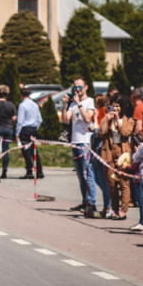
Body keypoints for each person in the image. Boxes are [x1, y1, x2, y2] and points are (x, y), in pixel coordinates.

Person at [62, 78, 97, 219]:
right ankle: (85, 201)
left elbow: (88, 119)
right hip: (75, 142)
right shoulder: (72, 104)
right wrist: (65, 106)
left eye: (80, 86)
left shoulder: (89, 102)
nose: (77, 89)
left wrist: (78, 104)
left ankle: (92, 202)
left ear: (86, 87)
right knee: (80, 175)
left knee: (88, 173)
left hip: (85, 143)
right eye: (75, 87)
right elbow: (65, 120)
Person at [99, 97, 134, 219]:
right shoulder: (107, 118)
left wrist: (118, 122)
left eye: (118, 106)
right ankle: (114, 209)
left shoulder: (128, 120)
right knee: (112, 184)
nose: (115, 109)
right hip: (109, 151)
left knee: (124, 183)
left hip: (123, 152)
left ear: (123, 107)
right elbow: (101, 134)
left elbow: (125, 133)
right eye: (113, 106)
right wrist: (106, 120)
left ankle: (123, 210)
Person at [16, 87, 43, 180]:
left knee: (26, 151)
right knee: (34, 151)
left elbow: (20, 121)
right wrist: (36, 129)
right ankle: (39, 171)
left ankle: (29, 171)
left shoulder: (22, 105)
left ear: (21, 95)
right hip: (33, 129)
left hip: (25, 129)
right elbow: (40, 119)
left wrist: (17, 133)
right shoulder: (35, 105)